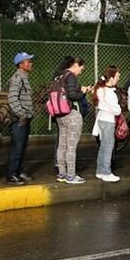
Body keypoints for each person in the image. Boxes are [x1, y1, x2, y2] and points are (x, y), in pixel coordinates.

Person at [55, 56, 91, 184]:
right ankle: (71, 176)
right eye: (81, 68)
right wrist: (83, 91)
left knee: (62, 145)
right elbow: (73, 95)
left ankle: (62, 174)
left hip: (59, 114)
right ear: (75, 65)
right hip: (71, 114)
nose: (82, 70)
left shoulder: (59, 76)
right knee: (71, 146)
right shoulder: (70, 76)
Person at [7, 52, 35, 185]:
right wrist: (22, 114)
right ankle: (12, 175)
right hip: (20, 119)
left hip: (25, 117)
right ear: (20, 64)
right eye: (27, 61)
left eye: (30, 61)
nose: (30, 63)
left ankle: (19, 172)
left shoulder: (24, 77)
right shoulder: (17, 77)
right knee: (17, 148)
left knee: (22, 147)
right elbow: (12, 99)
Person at [92, 66, 122, 183]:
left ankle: (100, 170)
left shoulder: (100, 89)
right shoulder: (110, 93)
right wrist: (119, 108)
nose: (118, 78)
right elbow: (117, 110)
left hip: (101, 120)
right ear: (112, 77)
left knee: (103, 146)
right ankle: (106, 172)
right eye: (118, 76)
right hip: (109, 121)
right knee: (109, 147)